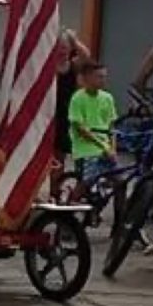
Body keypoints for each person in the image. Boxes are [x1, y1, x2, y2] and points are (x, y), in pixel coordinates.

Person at [67, 61, 118, 203]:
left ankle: (120, 219)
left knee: (120, 182)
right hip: (86, 148)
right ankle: (70, 204)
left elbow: (111, 127)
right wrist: (103, 146)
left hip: (105, 148)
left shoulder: (108, 98)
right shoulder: (77, 98)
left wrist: (112, 148)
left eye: (104, 77)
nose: (103, 80)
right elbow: (81, 128)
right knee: (88, 180)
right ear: (87, 78)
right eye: (99, 77)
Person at [51, 29, 91, 200]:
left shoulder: (73, 66)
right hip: (52, 113)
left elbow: (86, 56)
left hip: (67, 113)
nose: (62, 50)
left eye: (65, 47)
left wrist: (74, 40)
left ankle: (65, 189)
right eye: (59, 47)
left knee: (67, 154)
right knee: (54, 156)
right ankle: (52, 189)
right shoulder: (49, 65)